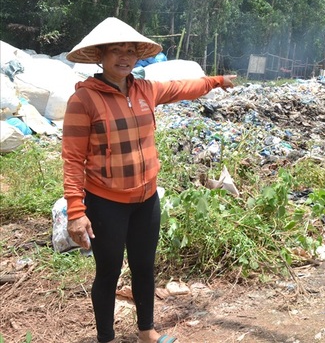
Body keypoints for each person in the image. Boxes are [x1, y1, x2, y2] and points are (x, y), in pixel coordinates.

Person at [62, 17, 236, 343]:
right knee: (108, 273)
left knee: (144, 267)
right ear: (101, 56)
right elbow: (73, 159)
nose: (124, 57)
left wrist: (215, 81)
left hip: (146, 201)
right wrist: (76, 211)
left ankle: (147, 332)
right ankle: (107, 338)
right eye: (116, 51)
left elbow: (183, 88)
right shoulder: (84, 100)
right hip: (105, 203)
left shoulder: (145, 89)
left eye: (130, 50)